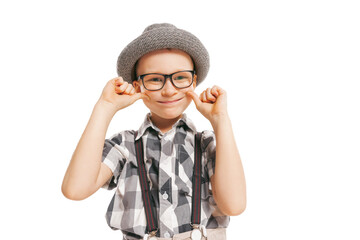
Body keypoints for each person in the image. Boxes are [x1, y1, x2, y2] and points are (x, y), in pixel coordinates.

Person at [62, 23, 246, 240]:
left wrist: (220, 120)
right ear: (138, 86)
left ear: (194, 81)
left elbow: (234, 205)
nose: (168, 90)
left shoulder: (207, 144)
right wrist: (104, 107)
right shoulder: (125, 145)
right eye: (155, 79)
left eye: (180, 77)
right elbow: (75, 189)